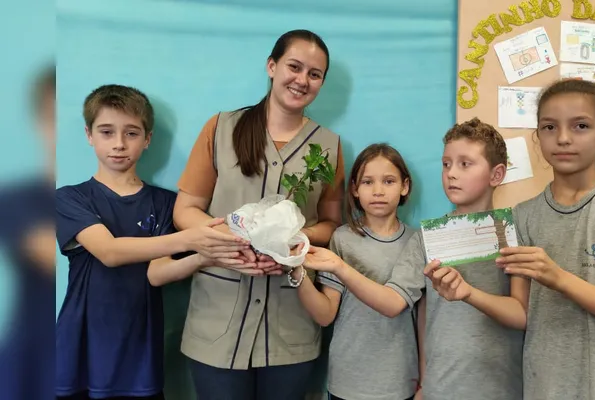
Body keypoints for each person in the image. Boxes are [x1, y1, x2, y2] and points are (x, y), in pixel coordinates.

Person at [438, 79, 595, 399]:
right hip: (544, 388)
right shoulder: (524, 215)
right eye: (549, 127)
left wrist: (559, 278)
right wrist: (467, 293)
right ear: (538, 136)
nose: (563, 138)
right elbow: (523, 313)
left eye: (580, 126)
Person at [172, 29, 345, 400]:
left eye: (314, 74)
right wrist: (236, 241)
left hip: (290, 321)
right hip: (218, 315)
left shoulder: (328, 147)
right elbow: (185, 211)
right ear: (271, 66)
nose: (302, 80)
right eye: (294, 67)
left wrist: (289, 243)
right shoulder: (221, 129)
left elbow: (331, 226)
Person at [303, 118, 524, 399]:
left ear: (496, 174)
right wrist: (424, 380)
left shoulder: (513, 230)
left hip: (501, 385)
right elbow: (405, 306)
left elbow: (521, 314)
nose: (451, 174)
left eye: (465, 164)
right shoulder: (428, 237)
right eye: (446, 164)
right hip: (439, 387)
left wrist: (468, 293)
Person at [55, 84, 250, 400]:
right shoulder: (70, 198)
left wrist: (203, 255)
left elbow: (156, 274)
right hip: (82, 348)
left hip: (139, 351)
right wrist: (190, 237)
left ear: (147, 139)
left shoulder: (165, 204)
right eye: (107, 132)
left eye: (131, 133)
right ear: (89, 135)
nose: (119, 144)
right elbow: (109, 252)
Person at [294, 143, 418, 400]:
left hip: (399, 380)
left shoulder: (417, 242)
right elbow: (325, 314)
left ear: (404, 186)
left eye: (389, 181)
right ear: (355, 189)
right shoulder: (342, 238)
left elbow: (401, 308)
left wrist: (424, 378)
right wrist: (295, 269)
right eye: (368, 182)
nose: (378, 191)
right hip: (348, 380)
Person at [0, 64, 56, 400]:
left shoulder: (101, 200)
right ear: (39, 122)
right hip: (31, 364)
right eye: (53, 117)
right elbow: (56, 259)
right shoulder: (16, 201)